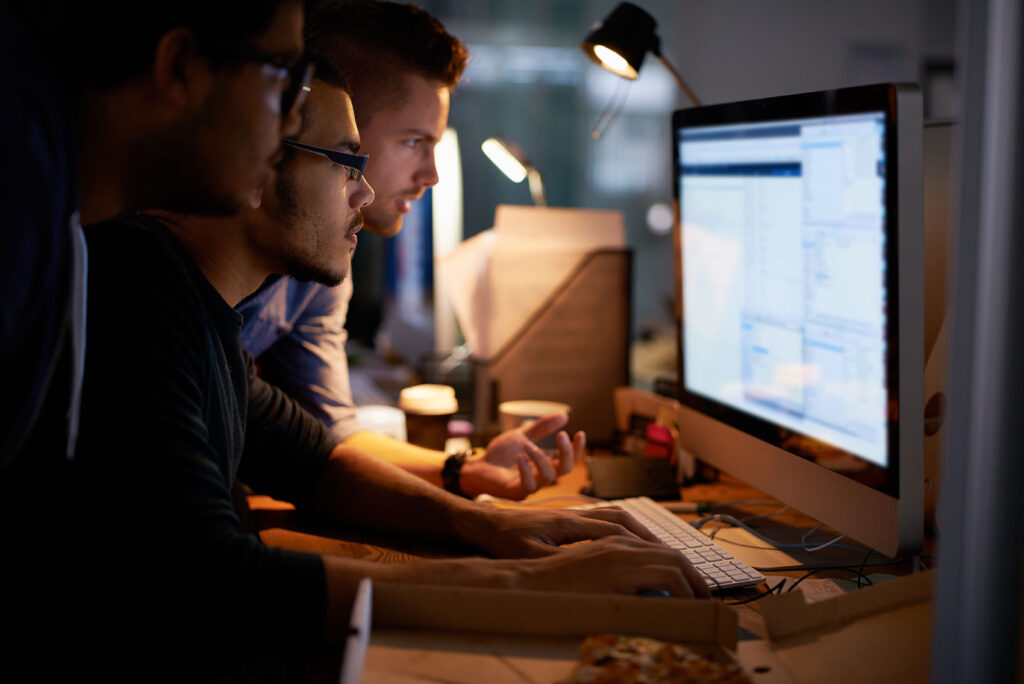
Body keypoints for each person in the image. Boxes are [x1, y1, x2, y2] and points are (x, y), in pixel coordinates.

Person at [74, 64, 709, 678]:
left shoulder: (202, 310)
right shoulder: (136, 292)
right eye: (348, 161)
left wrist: (485, 521)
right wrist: (527, 582)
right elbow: (217, 585)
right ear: (258, 166)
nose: (367, 190)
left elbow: (315, 462)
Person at [236, 0, 579, 501]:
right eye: (414, 142)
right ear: (333, 116)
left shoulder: (324, 264)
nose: (431, 176)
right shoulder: (172, 267)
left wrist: (464, 469)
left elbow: (331, 434)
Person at [0, 0, 311, 470]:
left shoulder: (57, 198)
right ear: (180, 65)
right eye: (284, 75)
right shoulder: (18, 174)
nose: (290, 122)